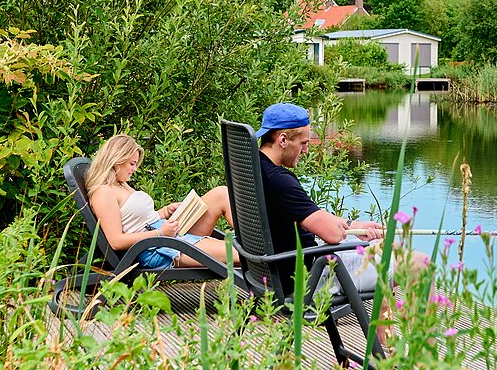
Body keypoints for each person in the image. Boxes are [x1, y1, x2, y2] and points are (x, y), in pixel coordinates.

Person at [256, 103, 427, 292]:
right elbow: (332, 234)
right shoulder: (280, 182)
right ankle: (419, 321)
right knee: (421, 265)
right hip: (307, 276)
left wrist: (355, 226)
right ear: (283, 140)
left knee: (388, 245)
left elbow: (311, 215)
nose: (305, 151)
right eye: (303, 143)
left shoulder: (253, 168)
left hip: (278, 268)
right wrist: (352, 235)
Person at [86, 134, 237, 269]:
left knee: (221, 194)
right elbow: (116, 241)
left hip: (168, 235)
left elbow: (136, 220)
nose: (135, 169)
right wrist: (160, 233)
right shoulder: (103, 192)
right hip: (158, 248)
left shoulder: (120, 184)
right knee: (241, 255)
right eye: (132, 164)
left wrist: (164, 212)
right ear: (116, 160)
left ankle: (256, 241)